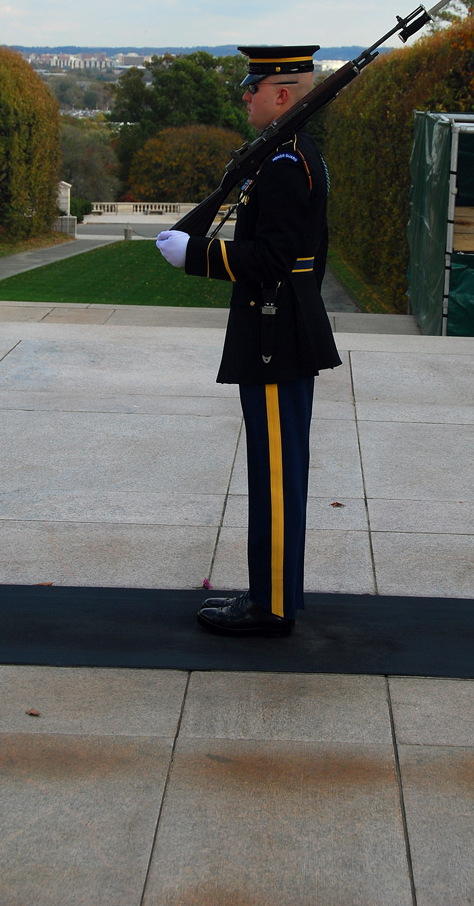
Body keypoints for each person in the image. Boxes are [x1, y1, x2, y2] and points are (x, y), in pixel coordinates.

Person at [156, 46, 341, 637]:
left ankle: (271, 606)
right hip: (281, 329)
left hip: (275, 334)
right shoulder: (288, 155)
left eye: (253, 87)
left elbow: (273, 258)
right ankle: (274, 595)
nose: (245, 95)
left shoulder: (287, 164)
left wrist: (197, 255)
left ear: (283, 94)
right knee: (278, 472)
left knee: (276, 478)